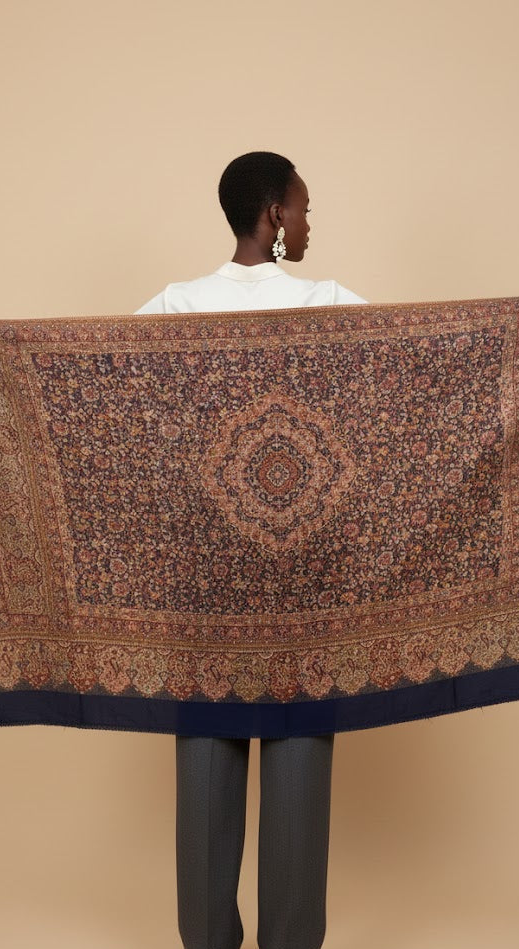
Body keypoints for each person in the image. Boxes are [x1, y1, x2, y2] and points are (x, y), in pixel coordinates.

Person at [134, 151, 367, 949]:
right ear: (272, 212)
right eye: (303, 207)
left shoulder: (173, 306)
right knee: (298, 781)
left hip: (204, 578)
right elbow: (436, 366)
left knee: (205, 777)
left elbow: (85, 389)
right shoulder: (331, 304)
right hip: (305, 577)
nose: (308, 223)